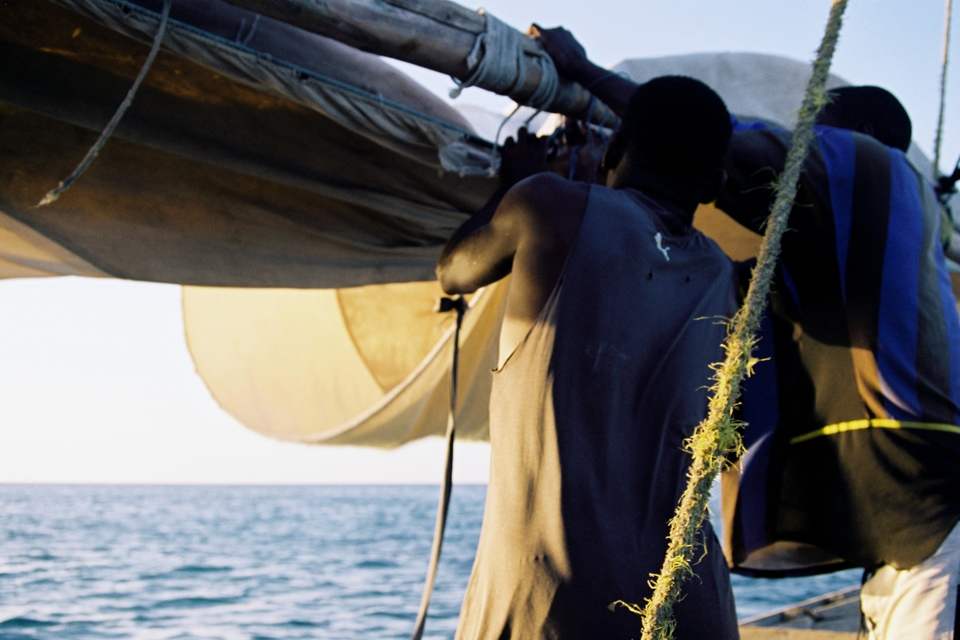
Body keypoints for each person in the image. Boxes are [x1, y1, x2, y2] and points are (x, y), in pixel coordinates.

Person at [534, 25, 960, 640]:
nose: (806, 140)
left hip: (917, 500)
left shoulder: (870, 163)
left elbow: (703, 132)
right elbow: (738, 290)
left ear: (859, 135)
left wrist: (582, 69)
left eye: (821, 128)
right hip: (913, 509)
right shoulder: (874, 232)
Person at [436, 77, 739, 639]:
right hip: (691, 608)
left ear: (614, 149)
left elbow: (453, 270)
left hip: (548, 607)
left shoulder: (548, 204)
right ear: (714, 183)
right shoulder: (723, 277)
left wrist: (513, 183)